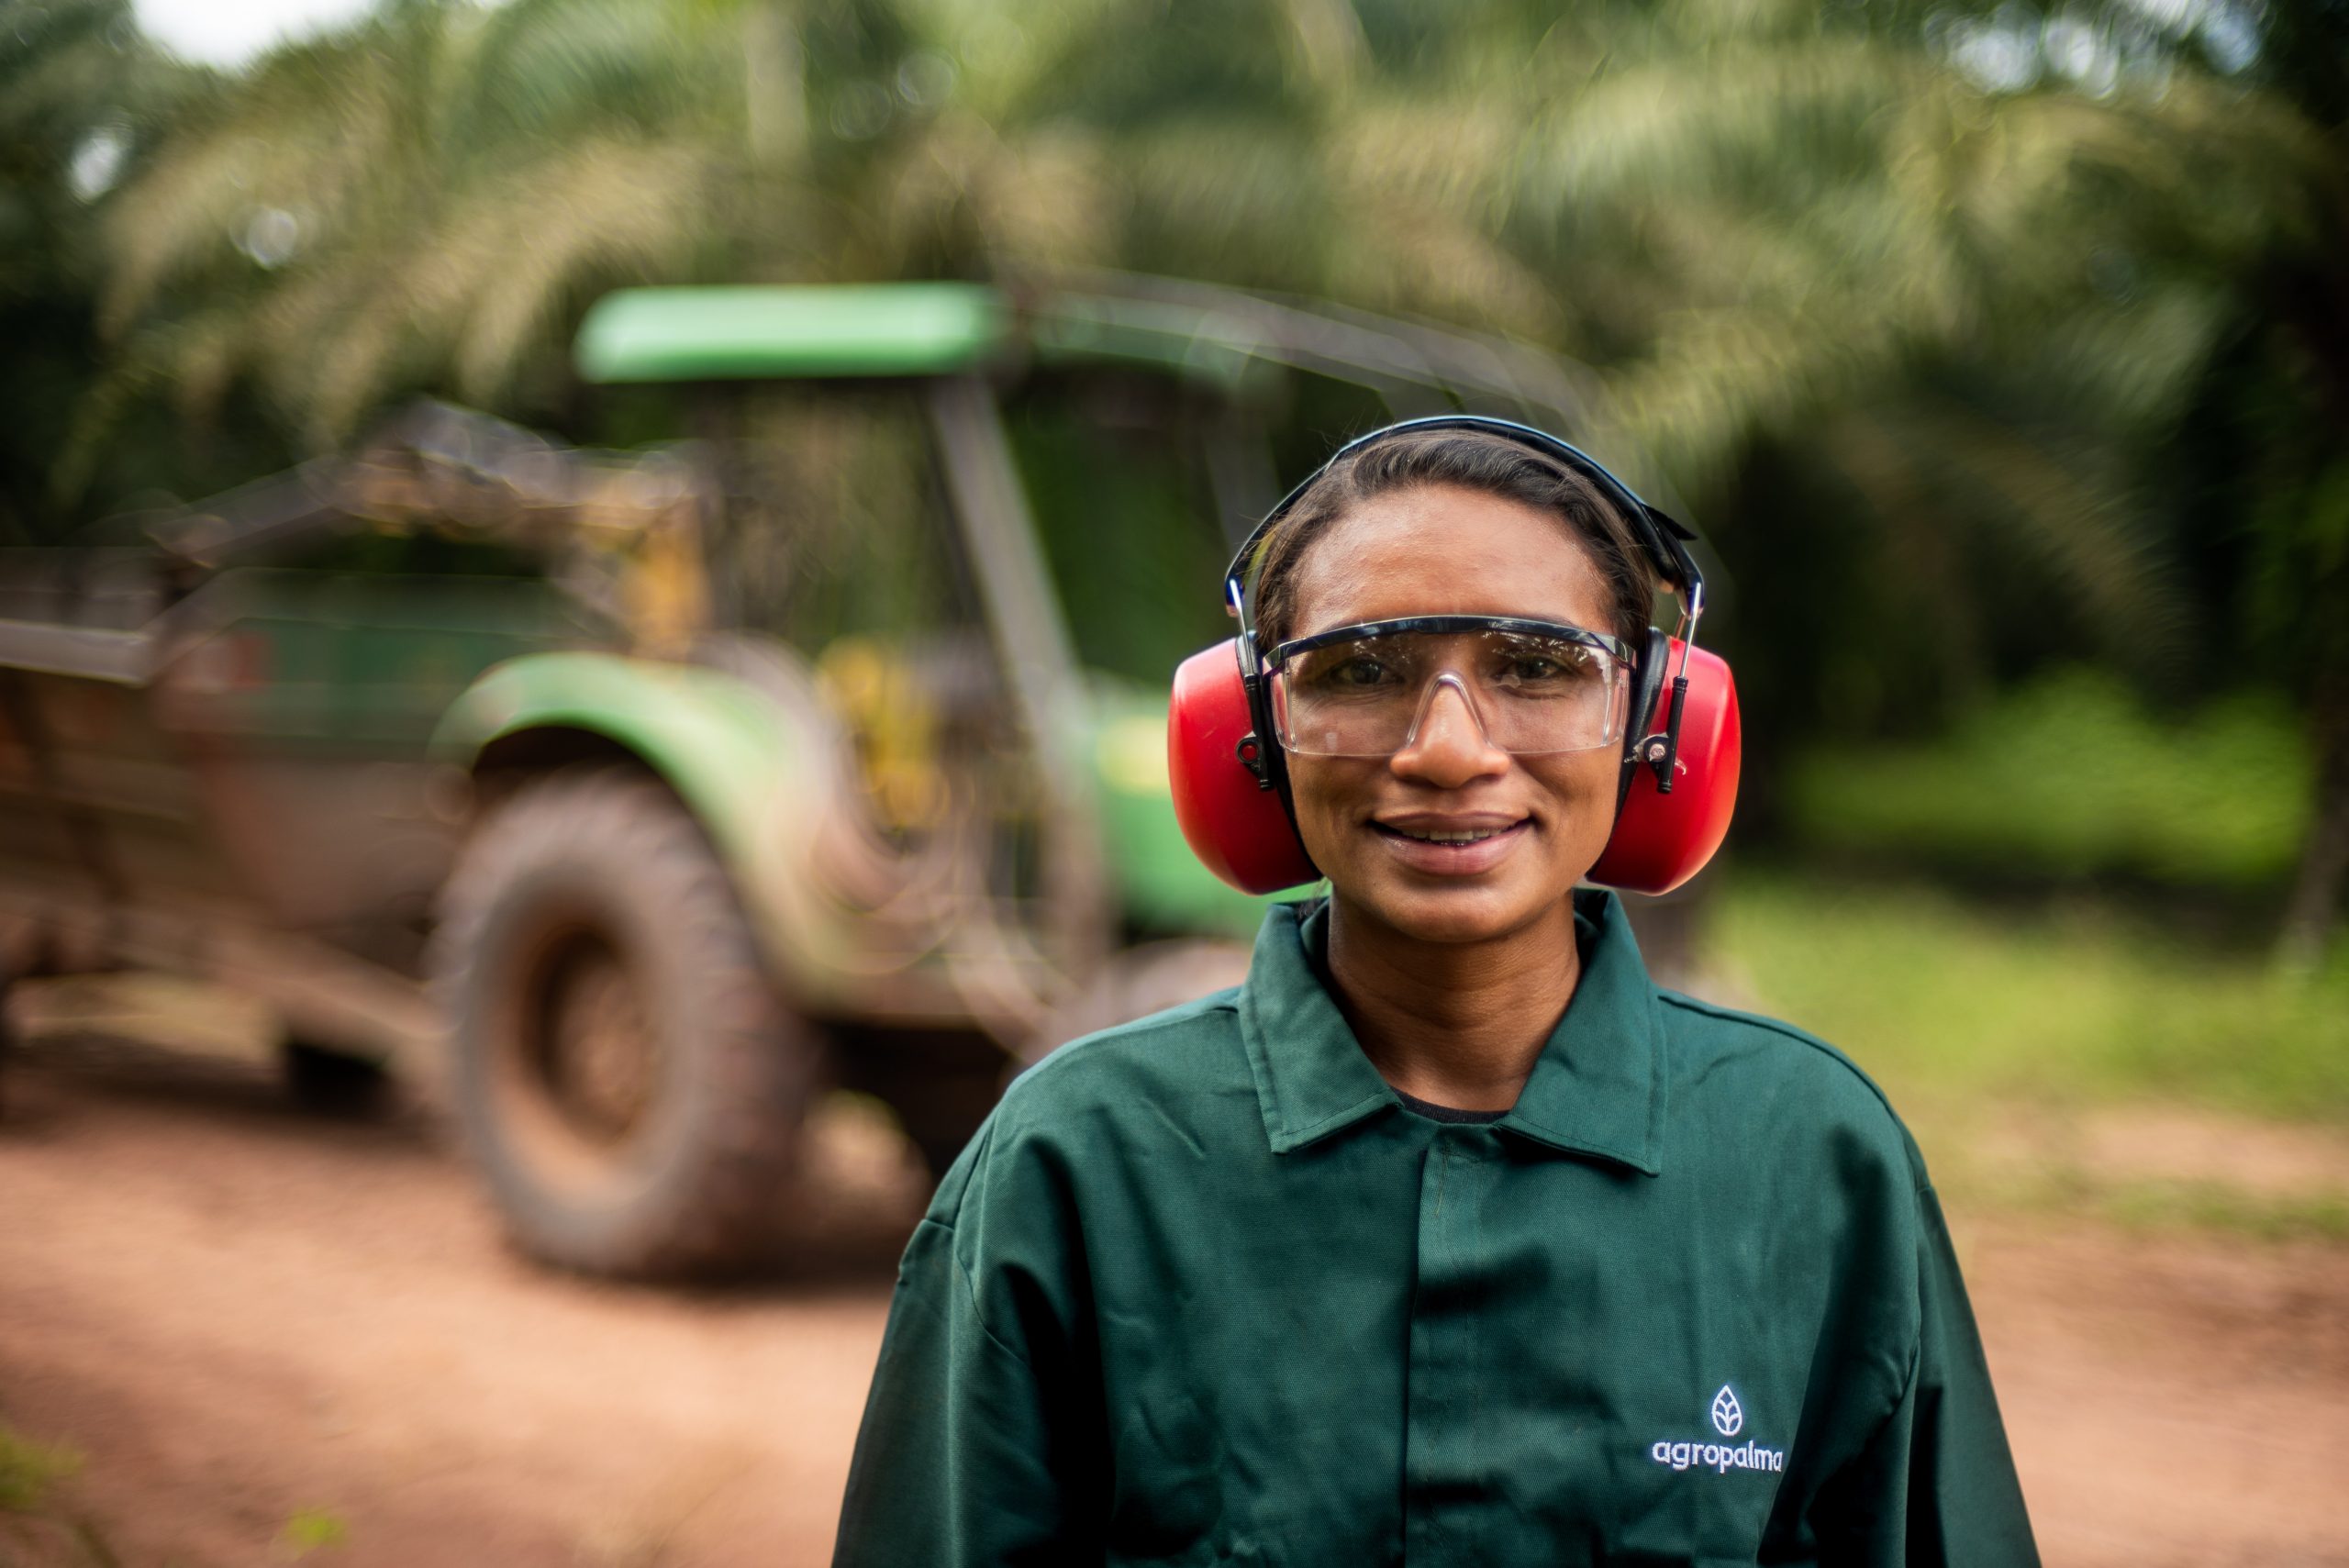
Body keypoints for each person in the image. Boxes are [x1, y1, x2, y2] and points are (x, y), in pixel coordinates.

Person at [831, 420, 2040, 1566]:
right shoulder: (1076, 1164)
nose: (1449, 748)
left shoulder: (1813, 1162)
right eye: (1358, 669)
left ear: (1655, 719)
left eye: (1536, 664)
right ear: (1253, 730)